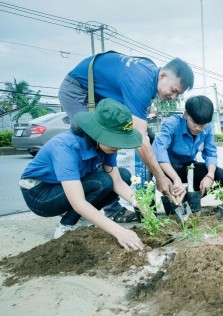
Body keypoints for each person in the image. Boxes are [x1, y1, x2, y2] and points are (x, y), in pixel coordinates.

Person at [58, 52, 194, 217]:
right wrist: (160, 177)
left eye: (178, 94)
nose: (173, 97)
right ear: (163, 75)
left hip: (98, 97)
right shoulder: (141, 82)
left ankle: (105, 203)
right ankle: (85, 205)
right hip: (78, 90)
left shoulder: (149, 76)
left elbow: (143, 135)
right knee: (94, 142)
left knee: (139, 138)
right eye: (174, 90)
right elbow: (140, 140)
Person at [19, 99, 144, 250]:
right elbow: (78, 202)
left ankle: (77, 218)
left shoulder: (107, 147)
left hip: (62, 187)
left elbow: (117, 181)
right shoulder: (66, 147)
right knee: (102, 182)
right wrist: (120, 232)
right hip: (39, 194)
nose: (118, 146)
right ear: (98, 133)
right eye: (114, 140)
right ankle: (65, 226)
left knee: (123, 175)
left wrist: (140, 204)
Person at [152, 96, 223, 200]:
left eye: (202, 125)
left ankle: (192, 200)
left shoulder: (208, 127)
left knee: (221, 175)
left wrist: (210, 176)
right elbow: (159, 152)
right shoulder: (172, 124)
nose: (198, 128)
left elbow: (210, 153)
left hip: (188, 167)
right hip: (169, 168)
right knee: (174, 169)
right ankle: (175, 200)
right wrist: (176, 179)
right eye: (194, 123)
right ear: (186, 114)